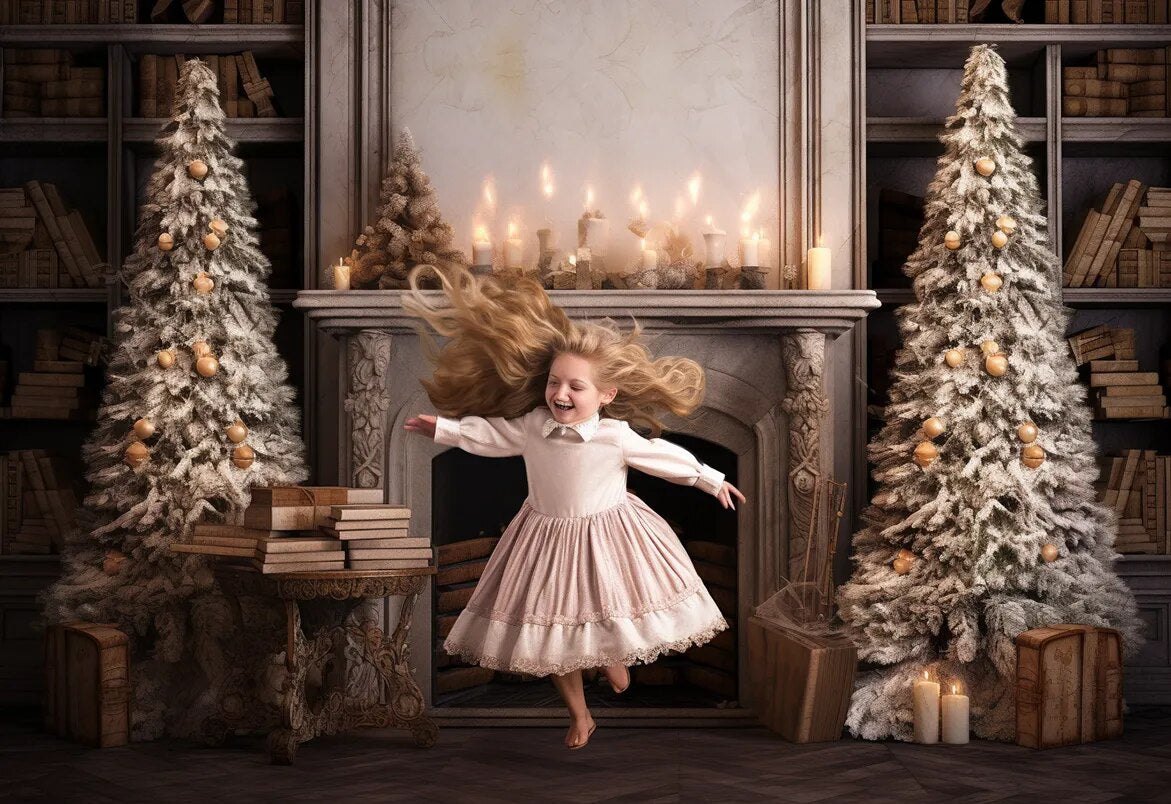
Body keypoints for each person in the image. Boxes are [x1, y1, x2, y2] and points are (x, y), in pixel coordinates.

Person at [403, 266, 746, 749]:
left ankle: (612, 653)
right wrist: (445, 428)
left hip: (608, 534)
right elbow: (490, 435)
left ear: (607, 395)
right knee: (552, 634)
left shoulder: (613, 435)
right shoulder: (533, 425)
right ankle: (580, 714)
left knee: (608, 604)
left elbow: (664, 458)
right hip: (545, 537)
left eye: (576, 387)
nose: (560, 394)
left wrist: (712, 480)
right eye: (554, 382)